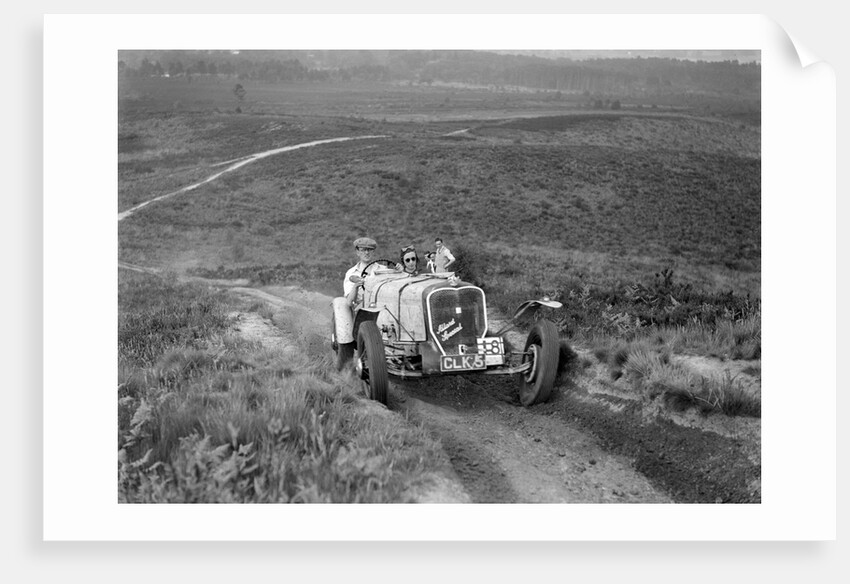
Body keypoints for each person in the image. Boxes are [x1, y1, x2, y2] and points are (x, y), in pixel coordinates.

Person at [344, 237, 379, 307]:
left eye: (370, 250)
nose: (367, 253)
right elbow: (349, 302)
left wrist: (399, 271)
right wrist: (356, 286)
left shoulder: (383, 270)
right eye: (363, 250)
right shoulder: (351, 273)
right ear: (357, 252)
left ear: (373, 252)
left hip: (382, 304)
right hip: (361, 307)